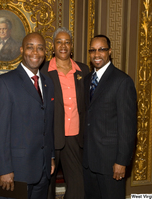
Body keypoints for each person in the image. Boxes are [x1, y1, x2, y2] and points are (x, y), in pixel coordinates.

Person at [0, 32, 55, 199]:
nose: (35, 52)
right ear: (21, 50)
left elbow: (48, 125)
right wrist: (4, 169)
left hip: (43, 170)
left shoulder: (48, 83)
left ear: (45, 53)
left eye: (40, 48)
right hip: (15, 173)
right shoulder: (4, 83)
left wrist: (51, 156)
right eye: (30, 47)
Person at [83, 35, 137, 199]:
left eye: (101, 49)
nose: (96, 54)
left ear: (110, 52)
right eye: (92, 50)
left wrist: (121, 161)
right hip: (89, 162)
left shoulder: (122, 81)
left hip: (111, 163)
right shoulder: (86, 80)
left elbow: (128, 127)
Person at [41, 27, 89, 199]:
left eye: (67, 42)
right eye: (59, 42)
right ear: (53, 47)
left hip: (75, 137)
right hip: (51, 137)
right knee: (46, 185)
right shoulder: (43, 71)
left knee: (79, 185)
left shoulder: (83, 71)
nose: (63, 45)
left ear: (72, 46)